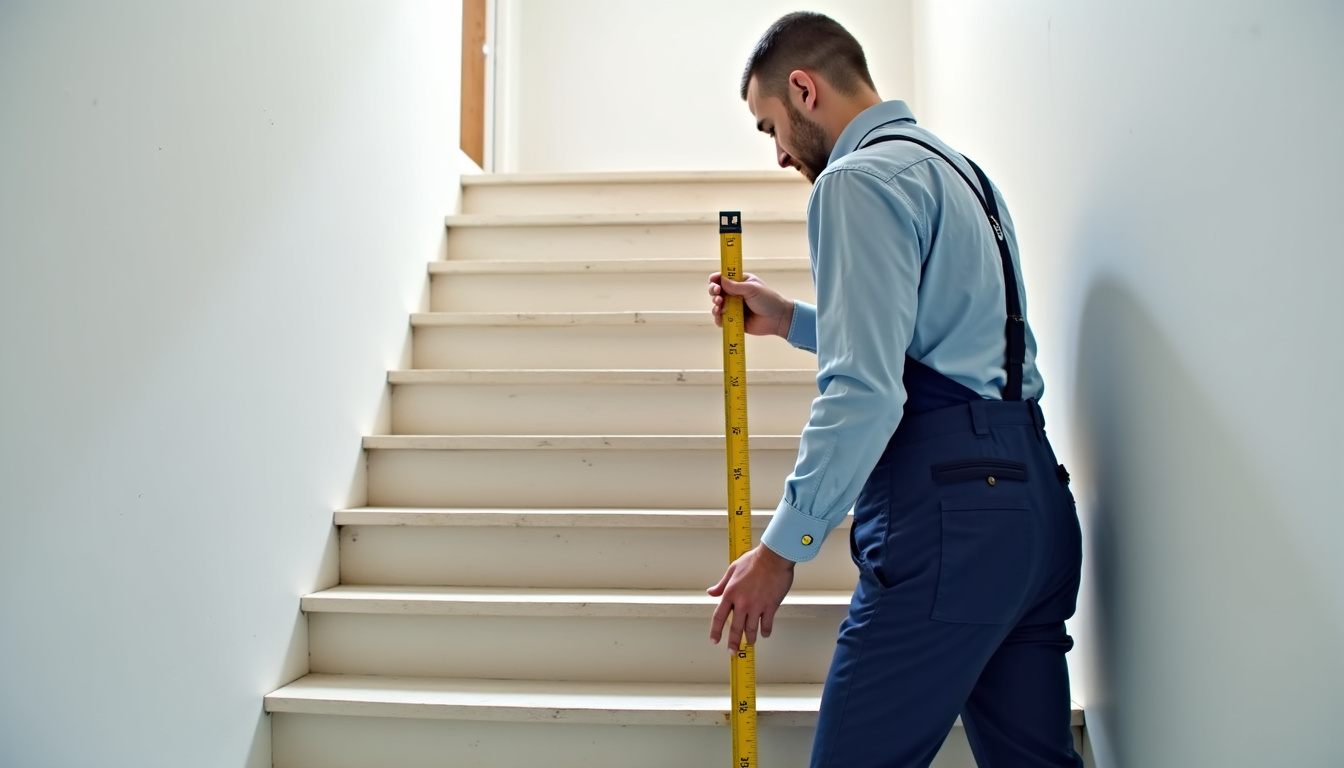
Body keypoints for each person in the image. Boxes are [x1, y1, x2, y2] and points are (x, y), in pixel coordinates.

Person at [705, 12, 1084, 768]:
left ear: (804, 89)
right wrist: (792, 321)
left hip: (953, 515)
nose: (779, 154)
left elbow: (866, 393)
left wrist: (781, 550)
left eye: (769, 126)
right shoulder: (961, 171)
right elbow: (946, 338)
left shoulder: (853, 181)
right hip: (1035, 502)